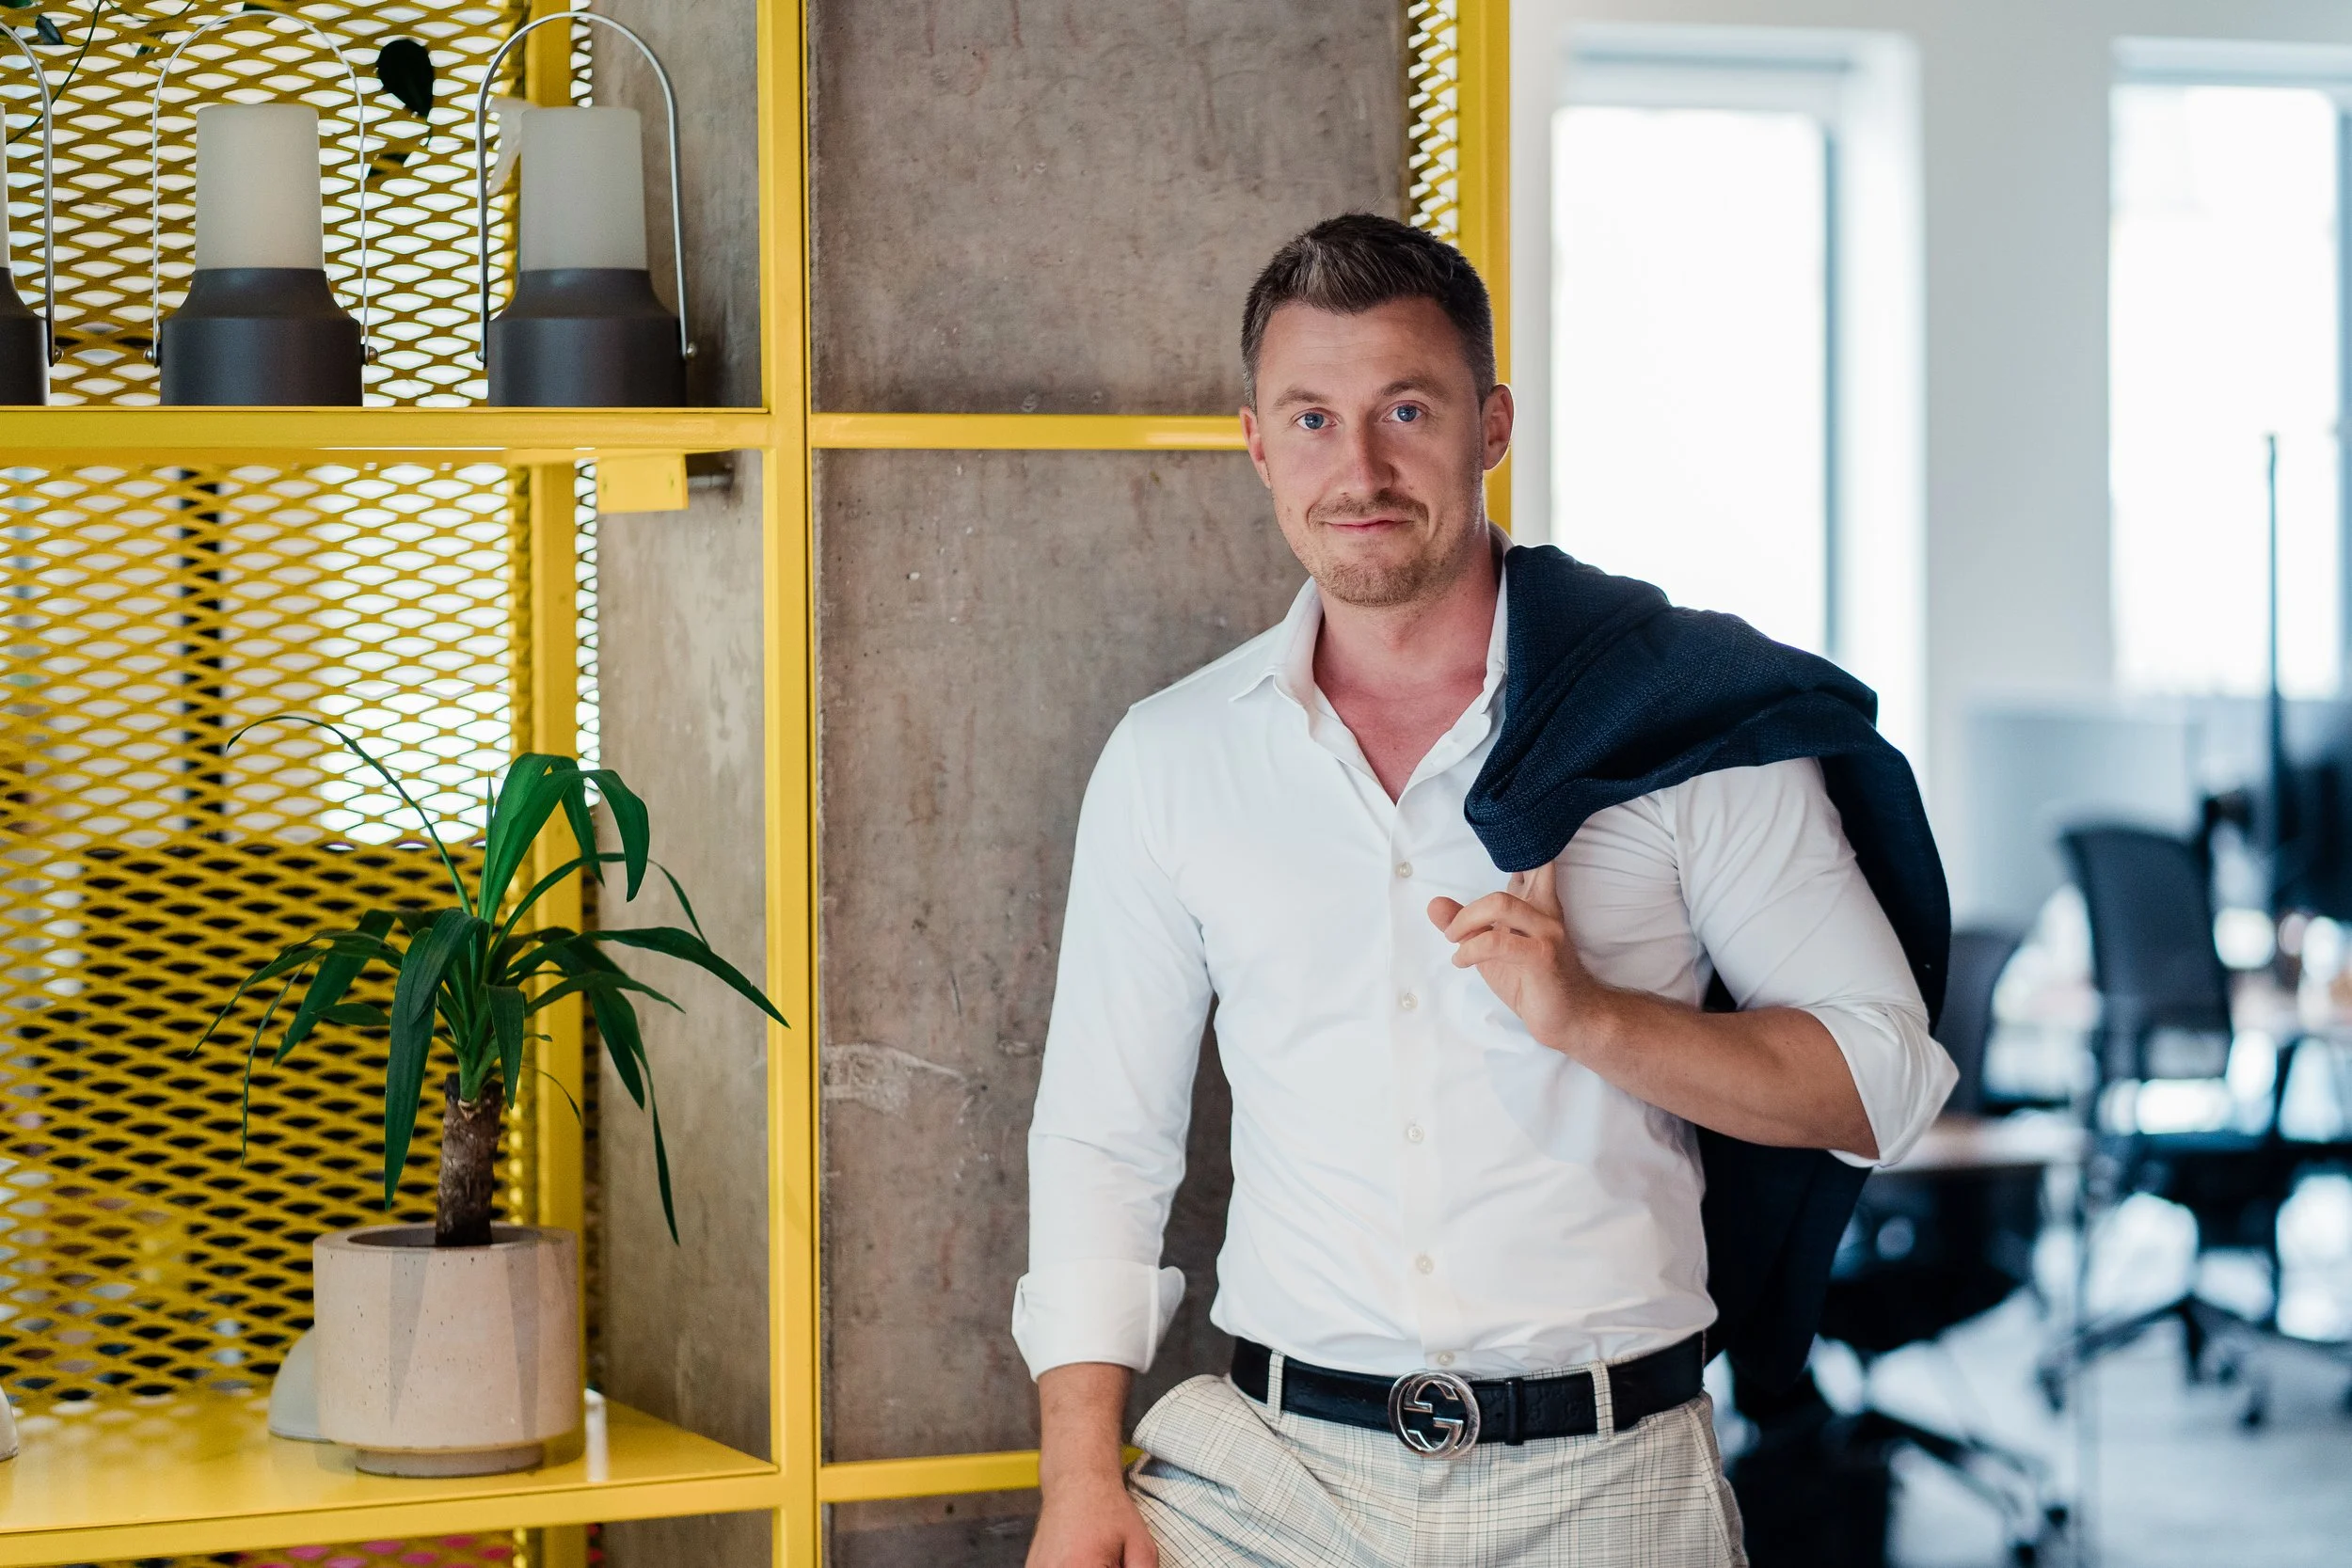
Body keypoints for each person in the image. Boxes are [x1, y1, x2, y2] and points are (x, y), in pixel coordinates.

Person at [1012, 213, 1956, 1568]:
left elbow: (1885, 1076)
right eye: (1315, 418)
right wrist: (1079, 1477)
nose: (1364, 466)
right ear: (1258, 443)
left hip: (1608, 1481)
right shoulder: (1176, 757)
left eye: (1408, 407)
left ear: (1492, 424)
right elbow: (1105, 1137)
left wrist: (1591, 1017)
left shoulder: (1672, 726)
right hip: (1275, 1486)